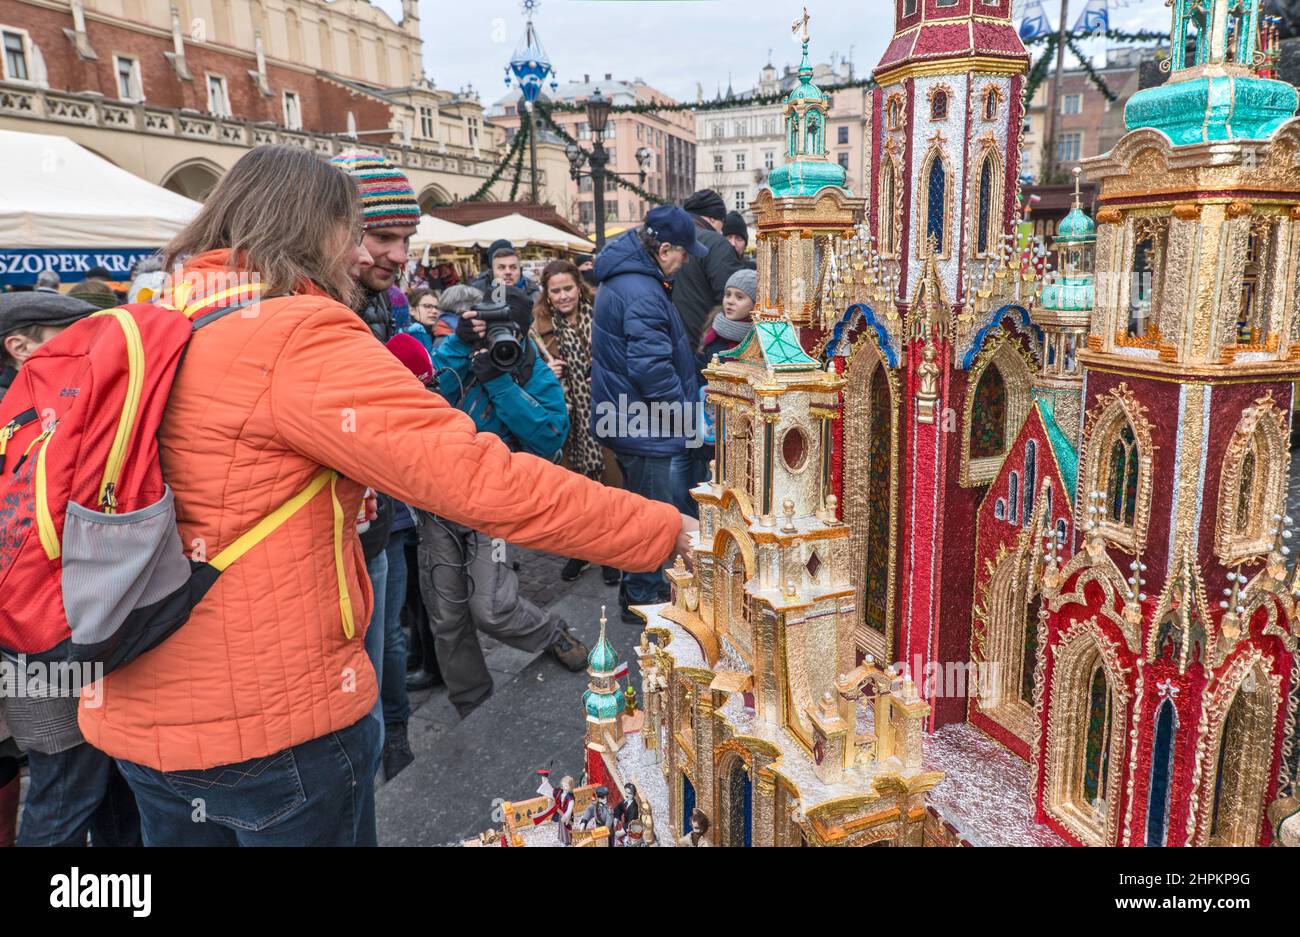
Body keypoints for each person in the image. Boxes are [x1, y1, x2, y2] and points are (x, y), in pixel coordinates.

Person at [80, 144, 694, 847]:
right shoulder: (293, 335)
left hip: (140, 710)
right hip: (270, 724)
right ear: (317, 232)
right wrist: (659, 526)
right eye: (360, 232)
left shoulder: (155, 316)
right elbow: (478, 479)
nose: (373, 255)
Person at [0, 291, 142, 848]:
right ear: (19, 346)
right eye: (71, 332)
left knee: (111, 785)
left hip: (74, 630)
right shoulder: (21, 415)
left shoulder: (52, 403)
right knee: (66, 790)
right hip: (37, 639)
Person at [418, 286, 590, 717]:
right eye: (490, 331)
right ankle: (472, 705)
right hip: (438, 500)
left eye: (508, 332)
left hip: (491, 504)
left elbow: (550, 434)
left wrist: (500, 382)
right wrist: (460, 343)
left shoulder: (531, 370)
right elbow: (424, 395)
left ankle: (552, 633)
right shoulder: (457, 355)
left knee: (491, 608)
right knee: (446, 615)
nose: (499, 342)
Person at [591, 205, 705, 624]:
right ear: (664, 248)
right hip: (646, 427)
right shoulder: (641, 291)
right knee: (654, 517)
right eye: (683, 253)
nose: (686, 261)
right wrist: (685, 418)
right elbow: (652, 370)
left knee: (643, 508)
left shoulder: (631, 281)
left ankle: (636, 590)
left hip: (631, 422)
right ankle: (644, 599)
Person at [532, 260, 622, 586]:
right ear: (547, 293)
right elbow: (530, 380)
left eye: (567, 288)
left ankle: (612, 552)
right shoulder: (538, 327)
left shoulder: (602, 314)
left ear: (579, 286)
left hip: (606, 413)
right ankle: (582, 550)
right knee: (575, 490)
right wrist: (547, 374)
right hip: (570, 420)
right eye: (555, 291)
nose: (563, 296)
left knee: (611, 486)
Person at [329, 150, 421, 342]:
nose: (401, 257)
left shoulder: (385, 299)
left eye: (406, 239)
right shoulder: (269, 297)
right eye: (383, 236)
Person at [671, 189, 746, 348]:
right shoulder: (716, 243)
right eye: (722, 224)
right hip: (703, 345)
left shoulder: (669, 237)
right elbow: (734, 296)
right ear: (713, 218)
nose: (721, 231)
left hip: (670, 341)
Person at [470, 240, 539, 302]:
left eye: (513, 267)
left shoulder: (533, 292)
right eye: (501, 267)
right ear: (492, 269)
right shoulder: (477, 290)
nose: (508, 272)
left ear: (519, 269)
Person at [404, 287, 443, 355]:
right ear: (412, 310)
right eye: (427, 306)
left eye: (437, 307)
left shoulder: (434, 331)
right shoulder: (415, 334)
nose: (434, 311)